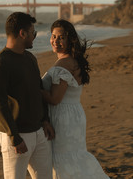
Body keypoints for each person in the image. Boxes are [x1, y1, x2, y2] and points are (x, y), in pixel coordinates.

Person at [0, 12, 54, 179]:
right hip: (16, 135)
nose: (34, 37)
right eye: (33, 33)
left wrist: (45, 120)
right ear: (22, 33)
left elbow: (38, 90)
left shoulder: (30, 58)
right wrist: (14, 137)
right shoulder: (0, 63)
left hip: (38, 132)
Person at [42, 19, 110, 179]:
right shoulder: (73, 61)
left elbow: (55, 98)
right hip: (74, 115)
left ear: (70, 39)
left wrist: (33, 88)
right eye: (53, 36)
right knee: (75, 157)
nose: (55, 41)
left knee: (64, 161)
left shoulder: (64, 64)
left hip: (63, 118)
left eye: (61, 37)